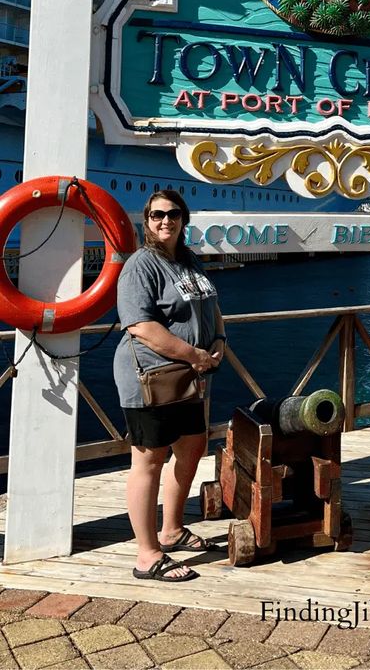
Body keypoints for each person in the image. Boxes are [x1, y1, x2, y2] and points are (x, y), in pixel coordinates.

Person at [113, 189, 226, 582]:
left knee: (192, 446)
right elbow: (141, 327)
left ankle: (172, 530)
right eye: (157, 214)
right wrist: (194, 355)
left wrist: (220, 341)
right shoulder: (141, 265)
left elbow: (211, 305)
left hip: (187, 376)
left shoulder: (189, 261)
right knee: (148, 459)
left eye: (173, 214)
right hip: (150, 376)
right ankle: (147, 554)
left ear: (184, 218)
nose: (166, 220)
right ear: (146, 220)